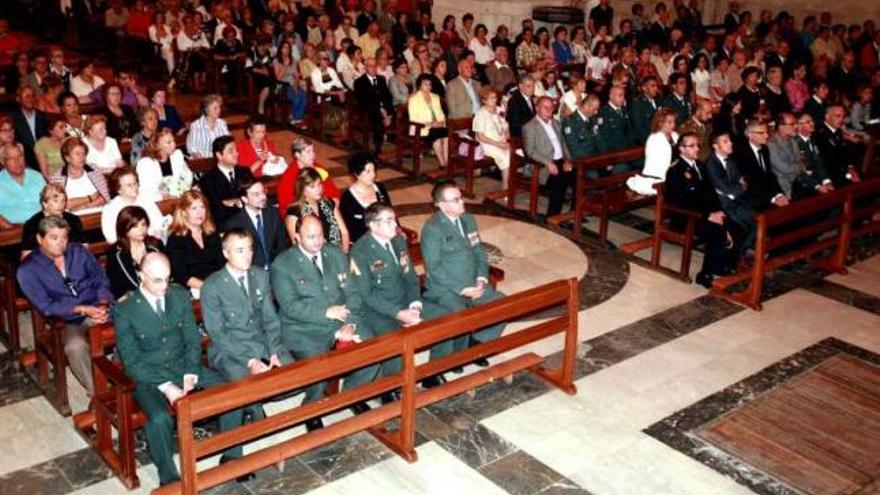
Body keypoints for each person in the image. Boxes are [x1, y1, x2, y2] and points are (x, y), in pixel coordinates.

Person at [112, 252, 250, 486]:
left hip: (182, 366)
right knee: (158, 418)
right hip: (148, 376)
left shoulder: (179, 296)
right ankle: (168, 477)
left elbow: (192, 340)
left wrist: (190, 372)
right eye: (157, 280)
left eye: (167, 278)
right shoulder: (125, 309)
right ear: (140, 276)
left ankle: (232, 455)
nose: (164, 285)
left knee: (229, 393)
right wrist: (167, 387)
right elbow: (132, 361)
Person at [271, 216, 379, 430]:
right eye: (310, 237)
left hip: (342, 319)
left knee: (373, 350)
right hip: (304, 328)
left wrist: (351, 324)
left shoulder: (335, 254)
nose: (317, 241)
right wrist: (325, 313)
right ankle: (312, 409)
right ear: (297, 237)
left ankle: (352, 395)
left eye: (320, 235)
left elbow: (353, 294)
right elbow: (290, 306)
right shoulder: (283, 265)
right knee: (319, 365)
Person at [350, 203, 448, 389]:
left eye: (394, 219)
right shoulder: (360, 252)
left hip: (405, 301)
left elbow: (410, 277)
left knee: (444, 319)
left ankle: (433, 372)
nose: (395, 224)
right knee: (395, 341)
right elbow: (367, 295)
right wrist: (398, 313)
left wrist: (415, 305)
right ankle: (392, 387)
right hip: (377, 310)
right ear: (373, 225)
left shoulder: (398, 240)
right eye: (389, 221)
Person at [201, 229, 294, 420]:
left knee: (294, 379)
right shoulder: (212, 286)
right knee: (249, 392)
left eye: (250, 249)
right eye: (240, 250)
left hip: (261, 341)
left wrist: (274, 350)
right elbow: (218, 334)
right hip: (230, 350)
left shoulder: (259, 275)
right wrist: (250, 361)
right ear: (226, 253)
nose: (247, 255)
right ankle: (253, 412)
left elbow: (270, 318)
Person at [18, 215, 113, 396]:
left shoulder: (78, 252)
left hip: (98, 307)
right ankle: (100, 393)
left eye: (64, 238)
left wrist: (102, 303)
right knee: (75, 346)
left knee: (134, 322)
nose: (61, 243)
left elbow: (100, 279)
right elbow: (45, 305)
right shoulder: (28, 269)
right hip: (68, 319)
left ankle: (127, 376)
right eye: (54, 238)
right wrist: (81, 309)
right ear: (40, 239)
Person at [420, 182, 505, 371]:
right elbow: (434, 268)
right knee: (460, 313)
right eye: (456, 199)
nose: (462, 202)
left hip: (473, 282)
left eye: (461, 197)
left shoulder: (468, 219)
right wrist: (462, 289)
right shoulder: (433, 229)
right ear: (441, 205)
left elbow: (478, 251)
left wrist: (482, 277)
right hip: (445, 289)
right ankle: (455, 359)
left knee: (502, 304)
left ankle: (476, 344)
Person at [665, 134, 740, 288]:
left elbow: (710, 193)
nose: (697, 149)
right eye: (692, 146)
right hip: (686, 217)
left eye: (697, 145)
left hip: (704, 214)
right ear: (681, 149)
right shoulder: (675, 170)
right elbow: (682, 202)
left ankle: (723, 265)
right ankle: (705, 273)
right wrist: (708, 215)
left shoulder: (699, 166)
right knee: (716, 231)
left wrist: (718, 211)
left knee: (736, 226)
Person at [522, 97, 575, 217]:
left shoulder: (556, 123)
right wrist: (548, 163)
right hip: (542, 165)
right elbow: (530, 151)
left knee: (579, 175)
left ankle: (573, 214)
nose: (549, 110)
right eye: (545, 107)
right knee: (560, 180)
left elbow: (564, 144)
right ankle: (552, 217)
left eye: (551, 108)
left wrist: (568, 160)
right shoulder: (529, 127)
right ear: (537, 109)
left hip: (561, 162)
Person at [165, 190, 225, 295]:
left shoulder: (211, 233)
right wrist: (209, 288)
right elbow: (182, 276)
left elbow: (222, 263)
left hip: (218, 285)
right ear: (184, 212)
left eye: (202, 207)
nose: (200, 213)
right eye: (194, 208)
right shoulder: (175, 239)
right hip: (194, 291)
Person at [223, 177, 288, 270]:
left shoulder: (273, 213)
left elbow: (281, 244)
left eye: (263, 192)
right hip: (251, 272)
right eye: (256, 194)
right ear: (244, 199)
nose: (263, 197)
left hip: (277, 268)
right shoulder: (234, 224)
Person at [106, 205, 165, 299]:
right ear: (124, 229)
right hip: (131, 300)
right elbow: (115, 287)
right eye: (135, 226)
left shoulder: (156, 245)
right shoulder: (115, 253)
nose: (141, 230)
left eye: (144, 224)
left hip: (159, 295)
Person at [285, 168, 350, 251]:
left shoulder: (328, 203)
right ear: (302, 189)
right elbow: (297, 247)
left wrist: (344, 254)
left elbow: (344, 232)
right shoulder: (294, 213)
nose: (318, 189)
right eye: (312, 187)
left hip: (337, 253)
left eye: (319, 184)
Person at [199, 135, 256, 226]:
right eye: (231, 151)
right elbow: (217, 212)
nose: (236, 153)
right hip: (227, 226)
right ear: (219, 155)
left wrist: (236, 202)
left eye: (236, 150)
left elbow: (255, 198)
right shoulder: (208, 180)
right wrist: (243, 201)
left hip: (251, 221)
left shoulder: (245, 172)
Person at [735, 120, 790, 212]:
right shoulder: (741, 153)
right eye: (761, 133)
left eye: (766, 132)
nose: (766, 136)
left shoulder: (764, 149)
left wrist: (779, 194)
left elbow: (769, 176)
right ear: (750, 135)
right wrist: (773, 199)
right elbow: (752, 182)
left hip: (766, 193)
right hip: (753, 197)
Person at [101, 166, 166, 243]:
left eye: (135, 183)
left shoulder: (146, 201)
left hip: (150, 243)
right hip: (126, 247)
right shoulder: (110, 209)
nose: (134, 187)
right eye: (129, 185)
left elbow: (159, 223)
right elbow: (111, 237)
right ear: (118, 189)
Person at [278, 138, 341, 215]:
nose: (313, 155)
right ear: (297, 155)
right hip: (301, 214)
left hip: (322, 208)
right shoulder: (289, 177)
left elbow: (333, 192)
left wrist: (334, 202)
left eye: (313, 151)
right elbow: (288, 206)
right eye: (308, 152)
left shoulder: (319, 168)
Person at [20, 184, 83, 259]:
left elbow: (83, 247)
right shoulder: (32, 225)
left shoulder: (73, 220)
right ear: (45, 204)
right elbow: (27, 256)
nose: (61, 205)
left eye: (63, 201)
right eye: (56, 201)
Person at [340, 152, 391, 243]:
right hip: (363, 243)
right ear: (357, 174)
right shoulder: (348, 198)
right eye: (368, 171)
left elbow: (390, 212)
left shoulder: (380, 188)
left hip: (386, 237)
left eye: (374, 170)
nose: (373, 175)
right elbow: (349, 230)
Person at [627, 108, 679, 195]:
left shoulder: (675, 135)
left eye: (674, 122)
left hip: (672, 172)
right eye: (669, 122)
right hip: (657, 176)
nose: (673, 125)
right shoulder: (655, 139)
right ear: (660, 123)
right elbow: (660, 164)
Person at [52, 137, 110, 212]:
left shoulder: (93, 169)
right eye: (77, 154)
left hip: (98, 214)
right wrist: (90, 198)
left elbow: (105, 197)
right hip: (72, 219)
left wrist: (84, 206)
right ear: (67, 158)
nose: (82, 157)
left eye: (83, 154)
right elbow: (60, 204)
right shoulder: (58, 176)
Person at [136, 128, 194, 202]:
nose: (174, 144)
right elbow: (145, 191)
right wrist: (163, 197)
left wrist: (180, 191)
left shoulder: (177, 155)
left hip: (179, 198)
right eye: (169, 142)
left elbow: (188, 177)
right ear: (157, 146)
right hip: (157, 202)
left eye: (173, 141)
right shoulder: (145, 164)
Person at [354, 57, 395, 156]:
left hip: (383, 109)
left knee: (396, 114)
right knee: (377, 118)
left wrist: (388, 112)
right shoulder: (359, 82)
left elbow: (388, 97)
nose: (373, 68)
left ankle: (394, 143)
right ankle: (378, 147)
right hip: (368, 109)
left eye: (374, 66)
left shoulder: (381, 79)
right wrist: (381, 110)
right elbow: (364, 100)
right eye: (370, 66)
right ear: (365, 68)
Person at [815, 105, 864, 187]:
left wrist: (850, 168)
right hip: (830, 176)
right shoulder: (820, 134)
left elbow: (844, 153)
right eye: (837, 116)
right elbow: (828, 162)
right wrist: (847, 174)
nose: (841, 119)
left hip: (842, 172)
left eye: (843, 116)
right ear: (827, 117)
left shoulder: (838, 131)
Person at [0, 144, 46, 230]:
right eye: (11, 158)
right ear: (3, 161)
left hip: (42, 228)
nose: (17, 161)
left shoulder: (37, 176)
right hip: (12, 233)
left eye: (20, 156)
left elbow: (49, 202)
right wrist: (13, 229)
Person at [408, 73, 450, 168]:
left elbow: (441, 114)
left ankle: (446, 161)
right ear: (419, 85)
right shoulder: (414, 99)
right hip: (421, 129)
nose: (428, 86)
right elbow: (413, 118)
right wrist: (430, 124)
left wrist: (440, 122)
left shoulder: (435, 97)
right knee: (436, 135)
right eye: (425, 84)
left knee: (446, 133)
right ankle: (442, 162)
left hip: (436, 126)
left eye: (430, 84)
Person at [472, 87, 511, 187]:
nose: (494, 100)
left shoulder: (499, 110)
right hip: (487, 144)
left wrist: (507, 140)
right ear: (484, 100)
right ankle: (505, 185)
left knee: (515, 152)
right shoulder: (480, 114)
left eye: (495, 97)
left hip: (501, 141)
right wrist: (498, 144)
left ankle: (511, 180)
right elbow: (481, 137)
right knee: (505, 156)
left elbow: (506, 127)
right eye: (491, 98)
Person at [793, 114, 835, 199]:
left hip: (817, 178)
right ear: (799, 126)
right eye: (808, 122)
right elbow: (799, 170)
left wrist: (826, 180)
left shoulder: (813, 139)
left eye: (812, 121)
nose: (812, 124)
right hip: (804, 182)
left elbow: (819, 162)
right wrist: (817, 186)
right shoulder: (794, 143)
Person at [12, 85, 48, 172]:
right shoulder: (12, 118)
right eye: (27, 96)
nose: (31, 99)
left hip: (46, 160)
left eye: (33, 96)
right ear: (18, 99)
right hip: (24, 161)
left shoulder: (43, 116)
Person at [597, 86, 635, 165]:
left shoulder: (623, 110)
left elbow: (630, 130)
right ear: (611, 96)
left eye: (623, 95)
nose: (623, 98)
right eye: (620, 95)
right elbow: (604, 139)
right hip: (615, 154)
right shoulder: (604, 113)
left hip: (629, 150)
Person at [563, 93, 602, 162]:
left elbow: (599, 140)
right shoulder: (570, 123)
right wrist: (593, 161)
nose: (596, 112)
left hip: (596, 158)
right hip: (583, 162)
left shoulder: (592, 119)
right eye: (594, 109)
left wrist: (604, 156)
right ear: (586, 106)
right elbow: (575, 149)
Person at [630, 76, 661, 145]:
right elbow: (639, 128)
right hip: (647, 141)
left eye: (656, 86)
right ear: (644, 88)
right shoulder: (638, 104)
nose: (656, 88)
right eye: (653, 86)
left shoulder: (659, 101)